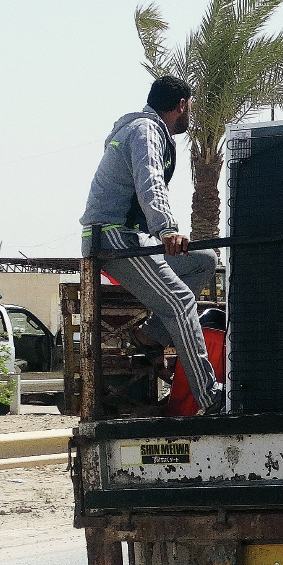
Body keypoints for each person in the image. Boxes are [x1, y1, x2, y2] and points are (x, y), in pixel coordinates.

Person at [80, 75, 224, 415]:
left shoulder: (136, 128)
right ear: (181, 106)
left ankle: (151, 336)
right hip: (115, 237)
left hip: (132, 237)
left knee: (203, 259)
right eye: (190, 108)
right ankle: (210, 398)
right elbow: (151, 181)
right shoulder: (146, 131)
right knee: (180, 302)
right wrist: (168, 229)